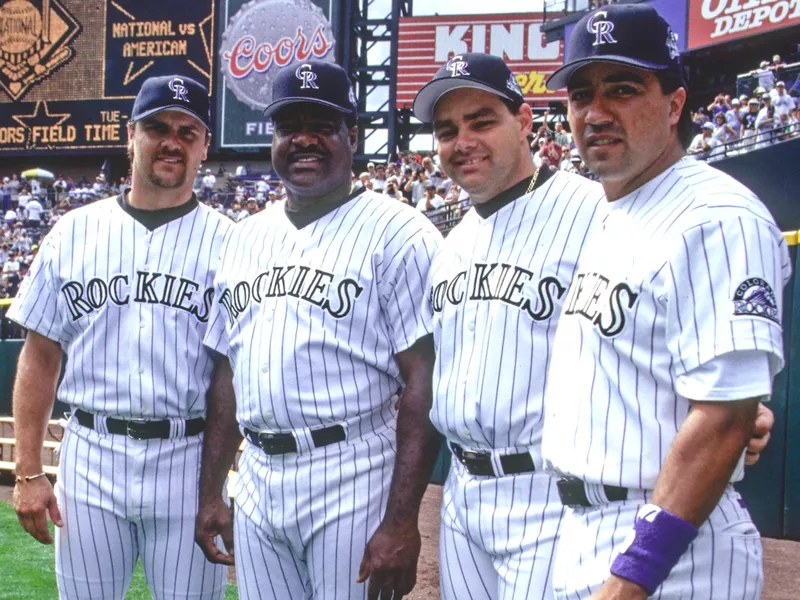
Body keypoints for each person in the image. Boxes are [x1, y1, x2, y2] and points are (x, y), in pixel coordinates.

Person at [541, 5, 788, 599]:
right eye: (581, 95)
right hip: (580, 529)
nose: (595, 113)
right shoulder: (610, 211)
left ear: (674, 103)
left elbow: (723, 418)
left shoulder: (718, 216)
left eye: (623, 90)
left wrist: (632, 579)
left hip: (674, 553)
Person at [194, 60, 443, 600]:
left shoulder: (401, 232)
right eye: (290, 127)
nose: (304, 140)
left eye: (322, 126)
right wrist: (211, 490)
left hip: (352, 467)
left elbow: (423, 382)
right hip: (258, 474)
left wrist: (402, 521)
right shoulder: (245, 237)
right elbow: (229, 374)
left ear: (350, 137)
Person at [8, 74, 231, 599]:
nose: (171, 140)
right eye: (157, 127)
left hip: (188, 456)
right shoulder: (73, 231)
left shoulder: (232, 241)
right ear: (131, 135)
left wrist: (218, 482)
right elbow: (39, 357)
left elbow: (232, 372)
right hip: (91, 452)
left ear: (203, 146)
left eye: (187, 130)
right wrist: (27, 471)